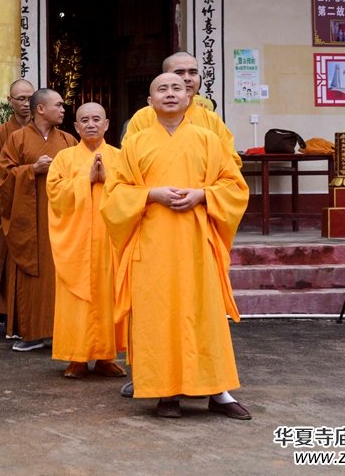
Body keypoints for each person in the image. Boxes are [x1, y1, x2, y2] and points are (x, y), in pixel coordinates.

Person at [102, 73, 251, 420]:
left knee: (204, 313)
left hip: (196, 240)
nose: (170, 94)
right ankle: (164, 391)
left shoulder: (208, 140)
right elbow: (114, 194)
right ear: (150, 102)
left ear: (190, 98)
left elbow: (235, 186)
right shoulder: (136, 144)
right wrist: (150, 194)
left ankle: (218, 390)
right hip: (152, 241)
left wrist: (203, 194)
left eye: (177, 89)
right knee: (158, 314)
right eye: (161, 89)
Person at [46, 102, 127, 378]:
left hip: (109, 241)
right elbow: (54, 193)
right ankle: (76, 358)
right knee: (75, 298)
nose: (90, 124)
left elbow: (131, 192)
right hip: (76, 242)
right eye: (84, 120)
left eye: (96, 119)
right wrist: (86, 179)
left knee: (108, 296)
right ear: (76, 127)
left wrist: (108, 178)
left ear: (106, 124)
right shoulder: (64, 158)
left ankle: (106, 356)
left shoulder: (120, 157)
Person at [0, 88, 77, 352]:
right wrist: (32, 170)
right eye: (59, 105)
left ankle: (59, 333)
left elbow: (78, 172)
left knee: (59, 272)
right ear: (40, 109)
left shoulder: (68, 140)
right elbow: (3, 177)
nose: (63, 109)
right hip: (28, 219)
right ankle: (30, 333)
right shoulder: (17, 139)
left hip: (60, 217)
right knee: (32, 272)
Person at [0, 78, 35, 335]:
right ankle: (7, 312)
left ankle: (35, 316)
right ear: (9, 101)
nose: (25, 104)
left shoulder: (47, 132)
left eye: (29, 98)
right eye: (20, 98)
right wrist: (24, 177)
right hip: (5, 209)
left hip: (37, 210)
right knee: (5, 259)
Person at [125, 51, 241, 167]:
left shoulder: (211, 119)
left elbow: (231, 165)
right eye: (179, 72)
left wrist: (204, 184)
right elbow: (127, 163)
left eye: (193, 72)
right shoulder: (143, 118)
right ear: (164, 77)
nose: (187, 78)